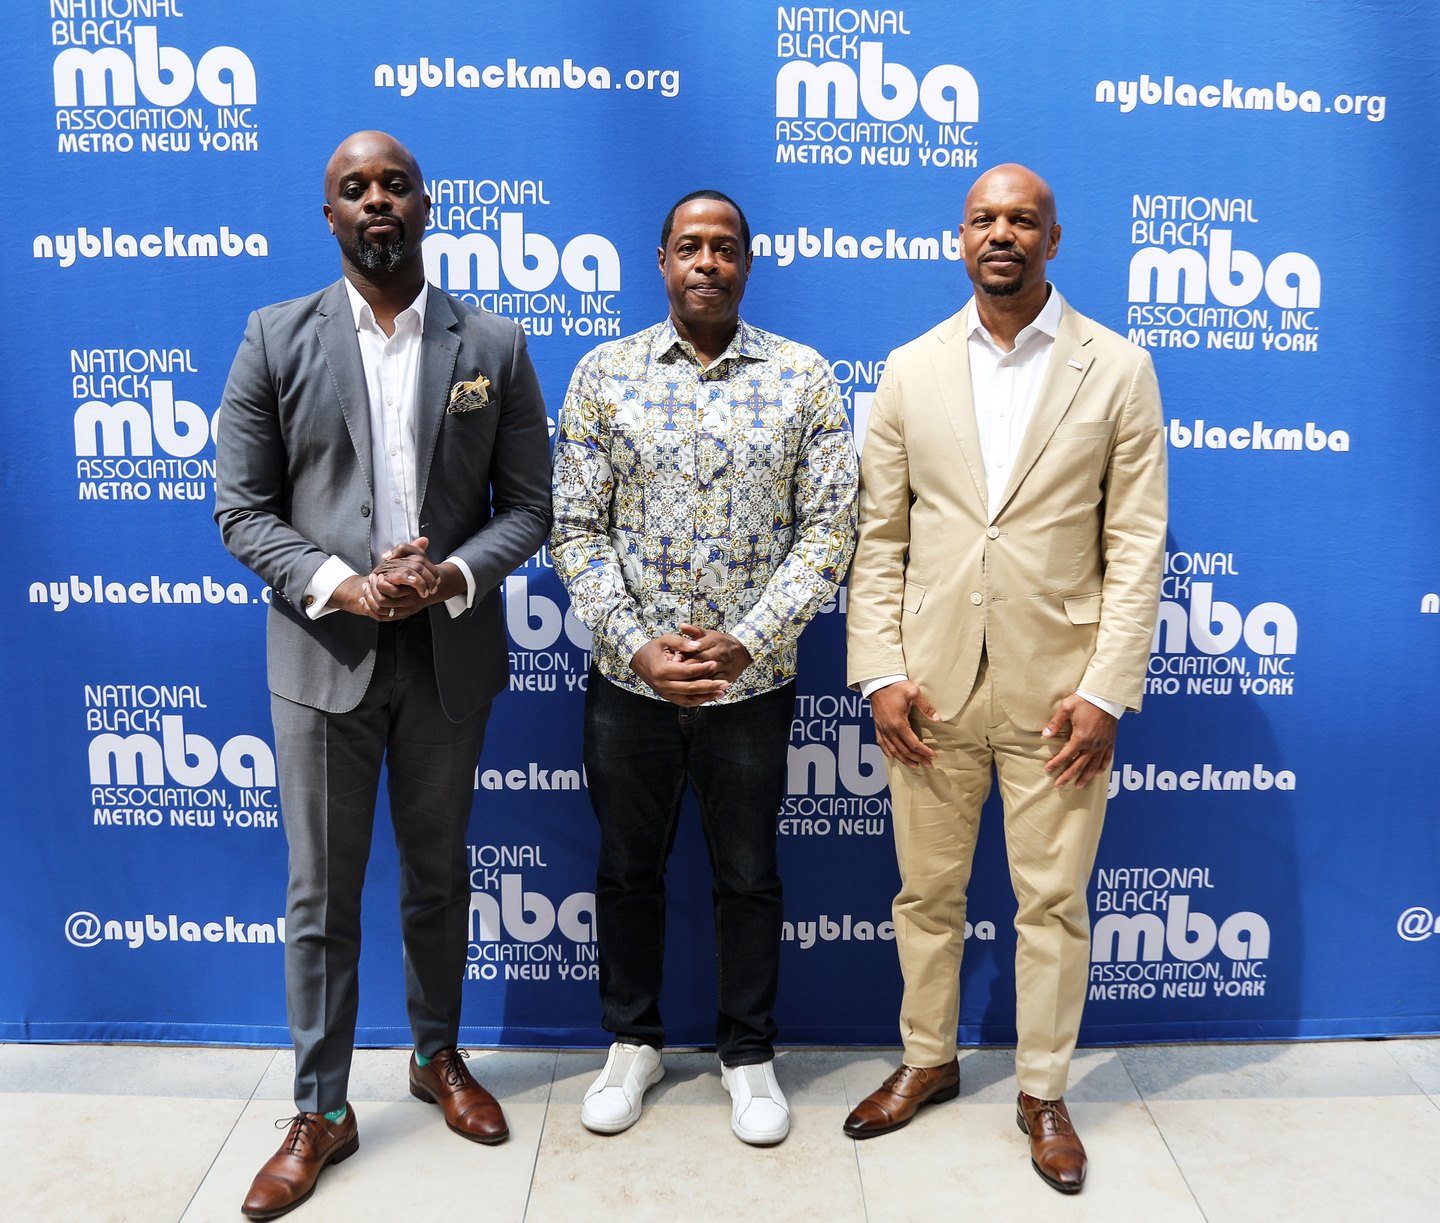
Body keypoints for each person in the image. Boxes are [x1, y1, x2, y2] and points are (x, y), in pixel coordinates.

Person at [214, 130, 551, 1219]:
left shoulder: (492, 343)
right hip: (325, 657)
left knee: (438, 874)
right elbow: (241, 510)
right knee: (321, 892)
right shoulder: (275, 338)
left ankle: (436, 1055)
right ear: (330, 216)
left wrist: (448, 574)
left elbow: (529, 508)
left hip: (447, 653)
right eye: (354, 188)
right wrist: (342, 583)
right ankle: (320, 1108)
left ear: (426, 205)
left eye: (394, 185)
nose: (376, 201)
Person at [843, 163, 1166, 1193]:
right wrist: (880, 671)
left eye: (1022, 220)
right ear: (960, 237)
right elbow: (880, 538)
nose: (1002, 234)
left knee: (1054, 903)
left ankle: (1043, 1089)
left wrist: (1106, 690)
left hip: (1061, 694)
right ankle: (927, 1058)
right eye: (984, 218)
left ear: (1052, 240)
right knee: (926, 892)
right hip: (929, 688)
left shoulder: (1118, 368)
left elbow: (1137, 542)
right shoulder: (910, 369)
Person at [550, 190, 857, 1146]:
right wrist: (637, 644)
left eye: (725, 248)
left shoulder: (803, 378)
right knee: (626, 870)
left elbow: (830, 529)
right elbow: (576, 528)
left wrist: (750, 639)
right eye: (690, 246)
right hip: (629, 683)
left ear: (748, 264)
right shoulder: (604, 374)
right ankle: (632, 1042)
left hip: (750, 687)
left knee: (750, 875)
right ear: (662, 261)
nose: (708, 263)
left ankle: (748, 1052)